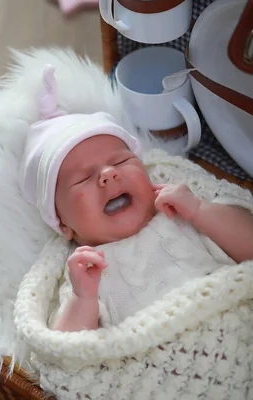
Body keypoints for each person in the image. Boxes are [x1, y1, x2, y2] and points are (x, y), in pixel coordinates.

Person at [18, 65, 253, 332]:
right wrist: (83, 298)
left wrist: (200, 210)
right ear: (63, 225)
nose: (108, 174)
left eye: (120, 160)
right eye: (83, 178)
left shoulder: (182, 216)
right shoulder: (85, 273)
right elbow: (67, 350)